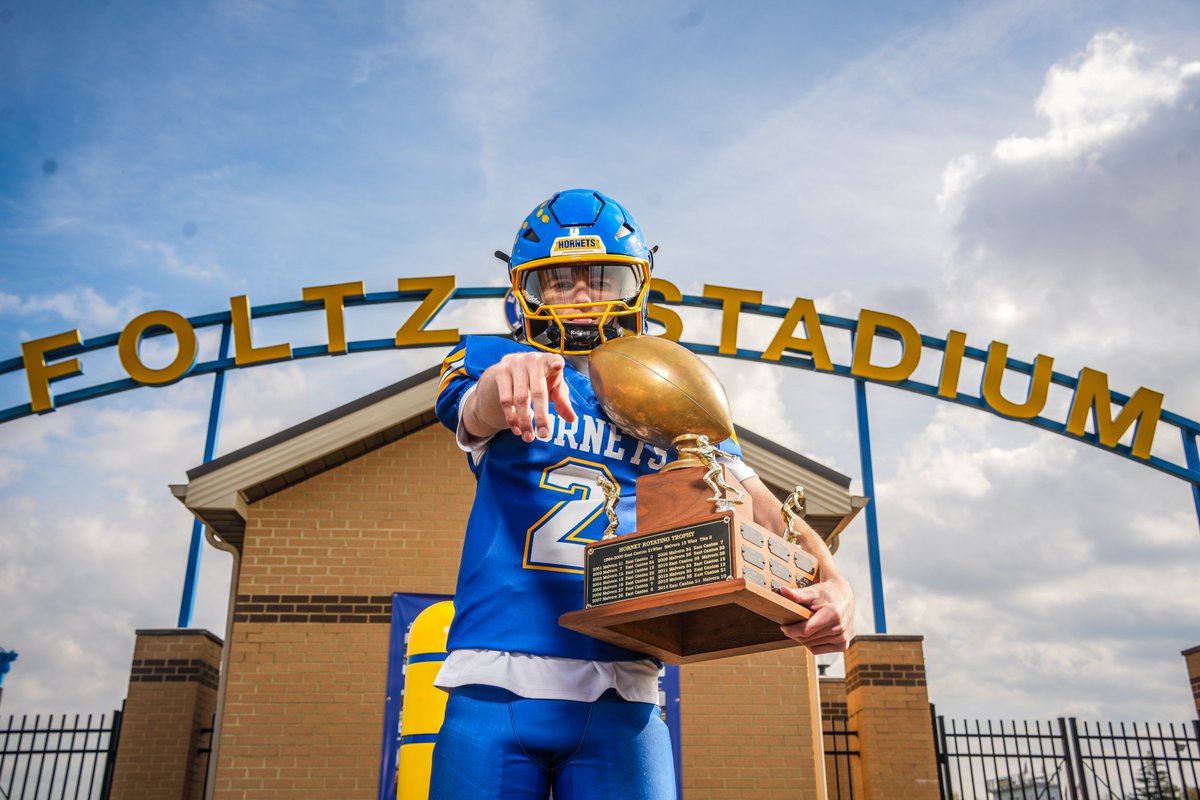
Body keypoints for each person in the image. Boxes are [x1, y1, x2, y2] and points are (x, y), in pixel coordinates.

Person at [429, 189, 855, 800]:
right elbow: (475, 411)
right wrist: (502, 383)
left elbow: (759, 503)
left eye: (600, 278)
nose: (581, 296)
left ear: (637, 285)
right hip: (495, 675)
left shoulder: (664, 391)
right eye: (559, 281)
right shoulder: (493, 360)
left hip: (623, 683)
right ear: (524, 293)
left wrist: (835, 581)